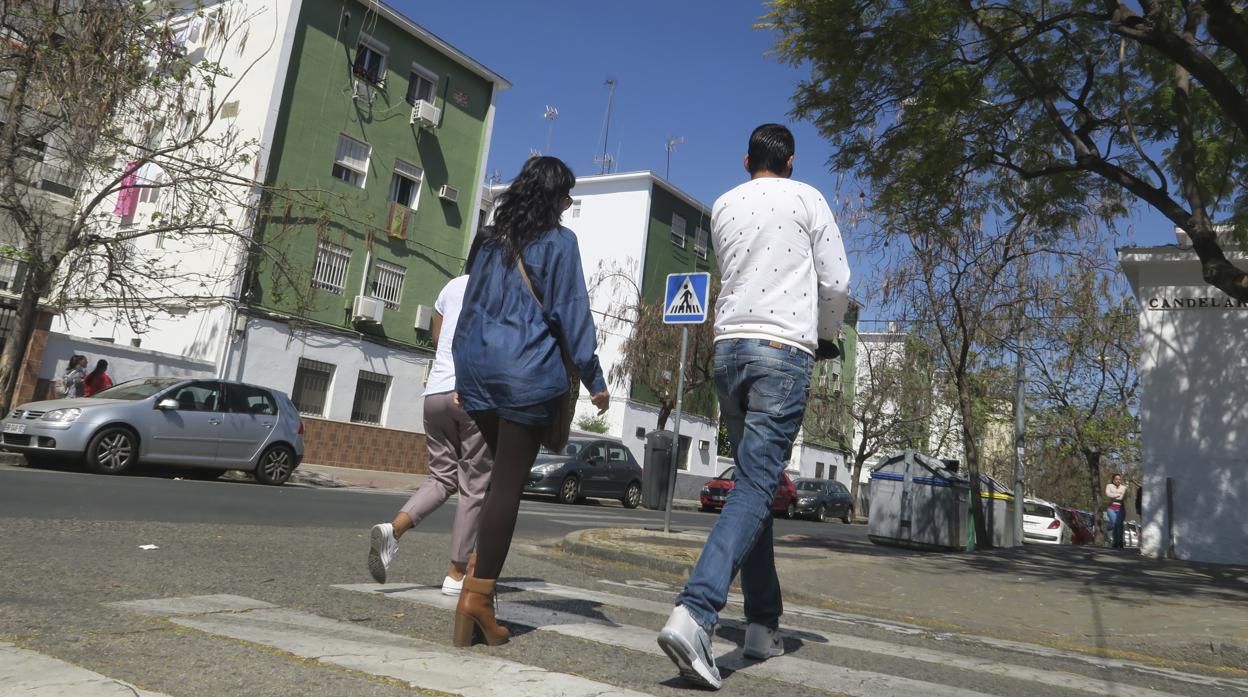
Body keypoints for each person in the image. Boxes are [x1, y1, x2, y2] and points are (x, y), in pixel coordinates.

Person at [657, 124, 850, 690]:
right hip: (780, 352)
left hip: (727, 352)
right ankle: (695, 612)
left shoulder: (722, 204)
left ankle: (762, 626)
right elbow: (837, 281)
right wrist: (825, 333)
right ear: (791, 161)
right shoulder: (808, 197)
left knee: (754, 484)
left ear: (746, 160)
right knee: (757, 486)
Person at [450, 156, 609, 648]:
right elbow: (572, 312)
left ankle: (477, 601)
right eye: (566, 197)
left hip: (476, 369)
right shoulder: (561, 243)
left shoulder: (488, 240)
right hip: (522, 376)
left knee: (496, 478)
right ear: (553, 199)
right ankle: (476, 598)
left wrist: (462, 369)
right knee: (507, 489)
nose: (568, 206)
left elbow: (469, 303)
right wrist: (595, 378)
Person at [367, 238, 492, 592]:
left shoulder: (451, 287)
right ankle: (456, 574)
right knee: (474, 486)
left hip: (434, 393)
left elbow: (440, 338)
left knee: (442, 479)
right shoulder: (494, 292)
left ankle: (393, 531)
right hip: (468, 395)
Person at [1105, 473, 1127, 548]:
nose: (1118, 481)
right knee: (1114, 524)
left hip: (1121, 509)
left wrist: (1113, 494)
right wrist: (1118, 494)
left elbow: (1121, 498)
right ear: (1113, 480)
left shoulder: (1124, 487)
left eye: (1119, 479)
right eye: (1116, 479)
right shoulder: (1109, 486)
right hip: (1111, 508)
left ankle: (1120, 542)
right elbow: (1108, 494)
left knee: (1120, 525)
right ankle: (1115, 542)